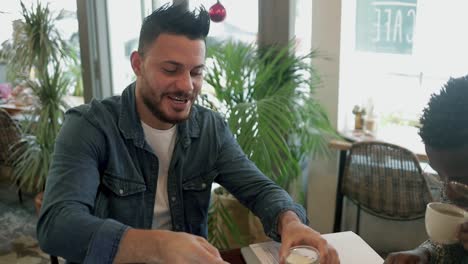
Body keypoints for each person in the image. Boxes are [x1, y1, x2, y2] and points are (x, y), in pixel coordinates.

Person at [36, 4, 339, 264]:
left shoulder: (209, 129)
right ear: (137, 64)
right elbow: (57, 226)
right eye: (171, 70)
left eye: (196, 72)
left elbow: (260, 189)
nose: (186, 86)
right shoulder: (90, 125)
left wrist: (290, 221)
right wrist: (160, 246)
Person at [385, 75, 468, 263]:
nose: (448, 191)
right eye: (439, 175)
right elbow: (449, 244)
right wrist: (425, 253)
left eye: (461, 179)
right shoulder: (455, 180)